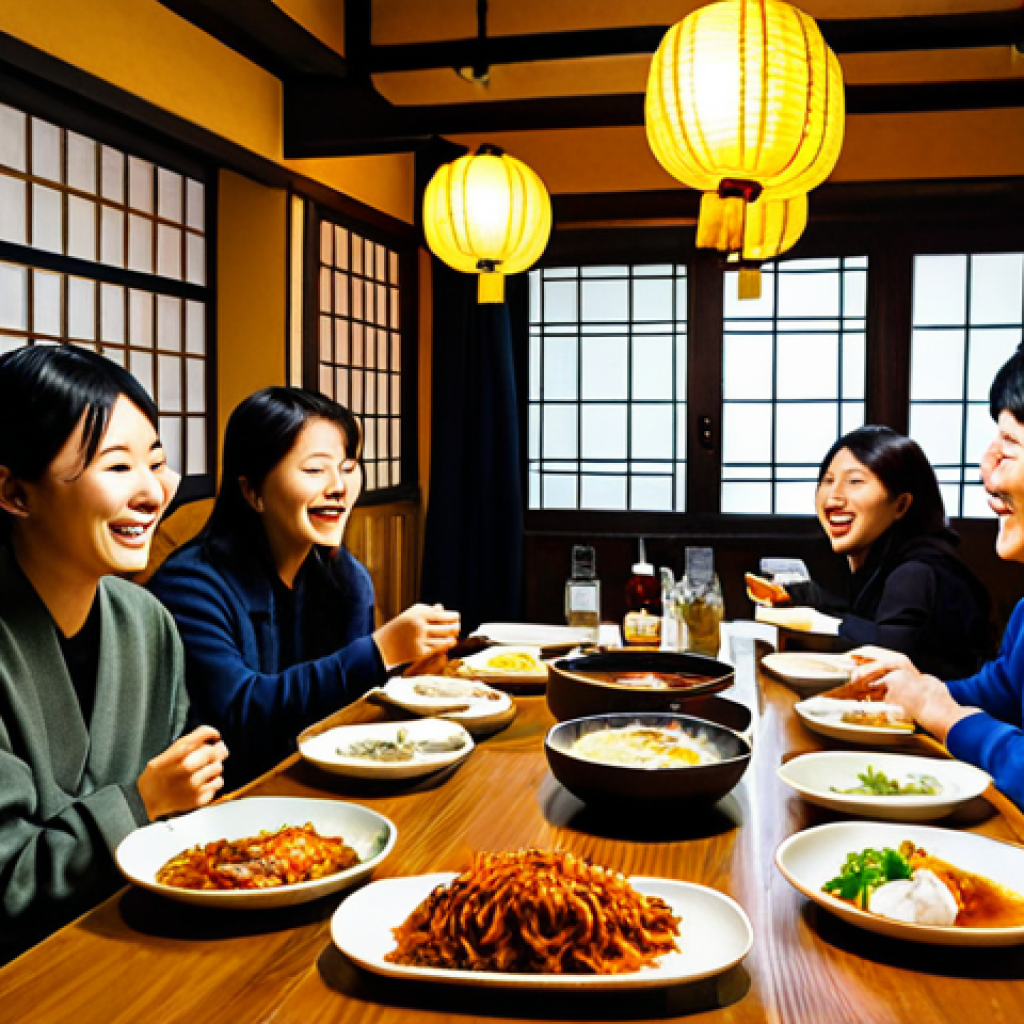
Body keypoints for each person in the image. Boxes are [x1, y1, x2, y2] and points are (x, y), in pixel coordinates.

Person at [0, 345, 227, 962]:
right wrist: (141, 801)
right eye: (117, 465)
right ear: (16, 493)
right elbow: (8, 883)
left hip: (144, 936)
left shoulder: (146, 620)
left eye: (156, 462)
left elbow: (176, 828)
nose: (155, 492)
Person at [149, 387, 461, 789]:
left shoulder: (346, 578)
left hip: (327, 779)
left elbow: (349, 710)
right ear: (253, 491)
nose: (339, 486)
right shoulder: (190, 585)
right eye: (315, 470)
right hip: (233, 800)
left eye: (348, 466)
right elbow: (239, 714)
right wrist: (380, 651)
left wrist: (401, 670)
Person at [853, 348, 1024, 809]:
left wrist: (940, 712)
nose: (986, 467)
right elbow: (1001, 693)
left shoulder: (919, 569)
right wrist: (920, 688)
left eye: (1009, 447)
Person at [747, 425, 990, 678]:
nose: (833, 498)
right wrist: (797, 595)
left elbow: (889, 654)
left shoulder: (916, 572)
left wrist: (812, 620)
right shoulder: (882, 560)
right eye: (828, 481)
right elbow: (859, 618)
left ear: (901, 505)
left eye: (855, 481)